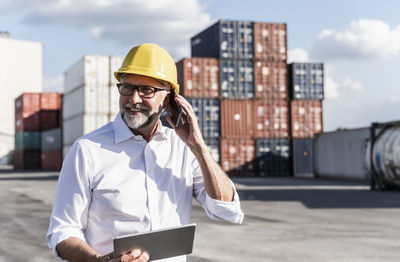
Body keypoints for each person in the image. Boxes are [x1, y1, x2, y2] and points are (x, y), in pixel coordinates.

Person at [46, 43, 244, 262]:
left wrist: (198, 146)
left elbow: (226, 210)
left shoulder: (183, 149)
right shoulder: (87, 150)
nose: (134, 99)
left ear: (168, 100)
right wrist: (99, 261)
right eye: (127, 87)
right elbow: (62, 232)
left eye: (146, 90)